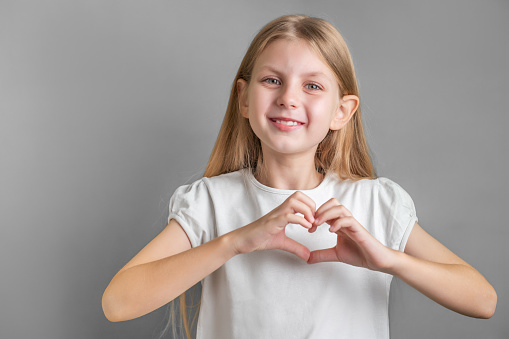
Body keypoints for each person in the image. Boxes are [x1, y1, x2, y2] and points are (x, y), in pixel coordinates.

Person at [102, 14, 497, 339]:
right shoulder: (211, 202)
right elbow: (118, 303)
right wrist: (237, 241)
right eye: (272, 80)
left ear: (342, 111)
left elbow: (483, 301)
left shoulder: (375, 203)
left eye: (312, 86)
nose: (288, 97)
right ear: (243, 97)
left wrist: (388, 259)